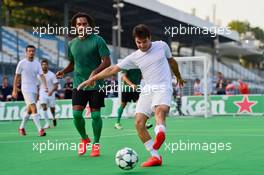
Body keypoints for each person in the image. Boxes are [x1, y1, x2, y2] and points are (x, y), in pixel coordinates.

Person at [77, 24, 185, 167]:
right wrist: (91, 79)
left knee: (160, 110)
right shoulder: (135, 57)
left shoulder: (162, 46)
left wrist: (178, 76)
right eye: (138, 42)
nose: (141, 45)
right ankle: (155, 156)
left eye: (144, 42)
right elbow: (113, 69)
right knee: (139, 123)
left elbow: (171, 61)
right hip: (147, 89)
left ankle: (160, 132)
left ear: (149, 38)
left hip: (163, 86)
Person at [56, 12, 111, 157]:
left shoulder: (98, 40)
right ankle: (85, 139)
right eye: (79, 24)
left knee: (96, 116)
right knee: (76, 114)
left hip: (96, 84)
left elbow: (107, 62)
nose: (81, 26)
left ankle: (96, 144)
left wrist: (95, 72)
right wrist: (64, 71)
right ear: (75, 27)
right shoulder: (72, 44)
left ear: (90, 26)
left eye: (84, 24)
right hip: (79, 84)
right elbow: (73, 63)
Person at [12, 45, 48, 136]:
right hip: (26, 89)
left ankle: (21, 127)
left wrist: (45, 86)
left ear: (35, 52)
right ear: (26, 52)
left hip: (34, 89)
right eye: (29, 51)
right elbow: (17, 77)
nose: (31, 52)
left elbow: (42, 76)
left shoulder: (37, 64)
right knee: (33, 107)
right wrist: (14, 90)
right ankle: (40, 130)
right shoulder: (21, 63)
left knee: (29, 109)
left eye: (33, 51)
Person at [39, 59, 59, 128]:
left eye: (45, 64)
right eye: (43, 65)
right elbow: (37, 85)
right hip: (42, 93)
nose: (44, 66)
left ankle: (53, 118)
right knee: (43, 107)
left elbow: (56, 85)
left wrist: (51, 91)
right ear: (41, 66)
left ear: (48, 66)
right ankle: (47, 123)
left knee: (52, 108)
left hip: (51, 94)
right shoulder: (39, 75)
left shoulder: (52, 75)